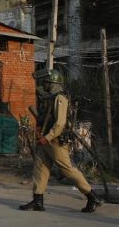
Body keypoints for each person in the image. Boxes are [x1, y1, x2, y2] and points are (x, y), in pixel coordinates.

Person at [19, 70, 102, 213]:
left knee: (67, 170)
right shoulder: (48, 98)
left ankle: (92, 196)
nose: (44, 84)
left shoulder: (60, 98)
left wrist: (47, 137)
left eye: (46, 82)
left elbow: (60, 123)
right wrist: (41, 134)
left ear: (53, 83)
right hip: (45, 140)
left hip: (55, 141)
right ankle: (38, 201)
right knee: (40, 170)